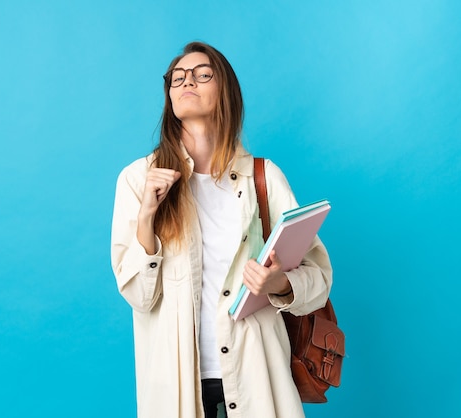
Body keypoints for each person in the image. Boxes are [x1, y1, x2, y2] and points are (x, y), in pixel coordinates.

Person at [110, 41, 333, 418]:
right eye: (177, 78)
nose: (186, 83)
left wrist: (277, 283)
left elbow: (319, 281)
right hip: (175, 384)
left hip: (257, 376)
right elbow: (138, 295)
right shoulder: (139, 180)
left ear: (225, 90)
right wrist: (147, 215)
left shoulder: (263, 177)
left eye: (201, 74)